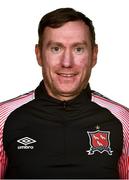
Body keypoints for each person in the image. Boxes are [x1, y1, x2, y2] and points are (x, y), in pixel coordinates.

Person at [0, 7, 128, 179]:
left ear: (94, 55)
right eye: (55, 49)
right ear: (39, 55)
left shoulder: (122, 120)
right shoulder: (3, 118)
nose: (67, 63)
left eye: (78, 49)